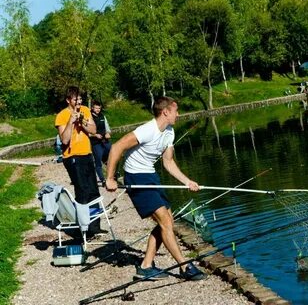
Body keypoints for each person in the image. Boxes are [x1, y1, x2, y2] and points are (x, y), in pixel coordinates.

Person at [105, 96, 206, 281]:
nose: (178, 114)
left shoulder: (169, 132)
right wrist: (110, 178)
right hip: (136, 176)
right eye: (176, 111)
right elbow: (116, 147)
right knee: (165, 222)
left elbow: (168, 162)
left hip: (150, 175)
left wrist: (187, 181)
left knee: (168, 220)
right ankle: (184, 266)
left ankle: (145, 265)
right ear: (165, 112)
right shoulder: (147, 130)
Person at [55, 86, 106, 237]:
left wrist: (82, 121)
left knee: (93, 190)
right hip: (72, 157)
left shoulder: (85, 110)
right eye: (76, 99)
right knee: (82, 190)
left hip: (87, 154)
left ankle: (95, 227)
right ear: (68, 100)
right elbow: (64, 140)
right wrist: (71, 122)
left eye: (80, 99)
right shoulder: (61, 115)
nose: (79, 101)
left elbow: (93, 130)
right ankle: (83, 228)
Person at [90, 101, 112, 184]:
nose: (98, 110)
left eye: (99, 108)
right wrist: (95, 135)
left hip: (105, 141)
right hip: (96, 143)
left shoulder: (103, 116)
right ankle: (102, 179)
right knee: (98, 162)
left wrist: (108, 133)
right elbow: (87, 133)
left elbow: (108, 128)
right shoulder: (89, 117)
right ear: (92, 108)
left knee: (112, 156)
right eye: (96, 108)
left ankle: (113, 175)